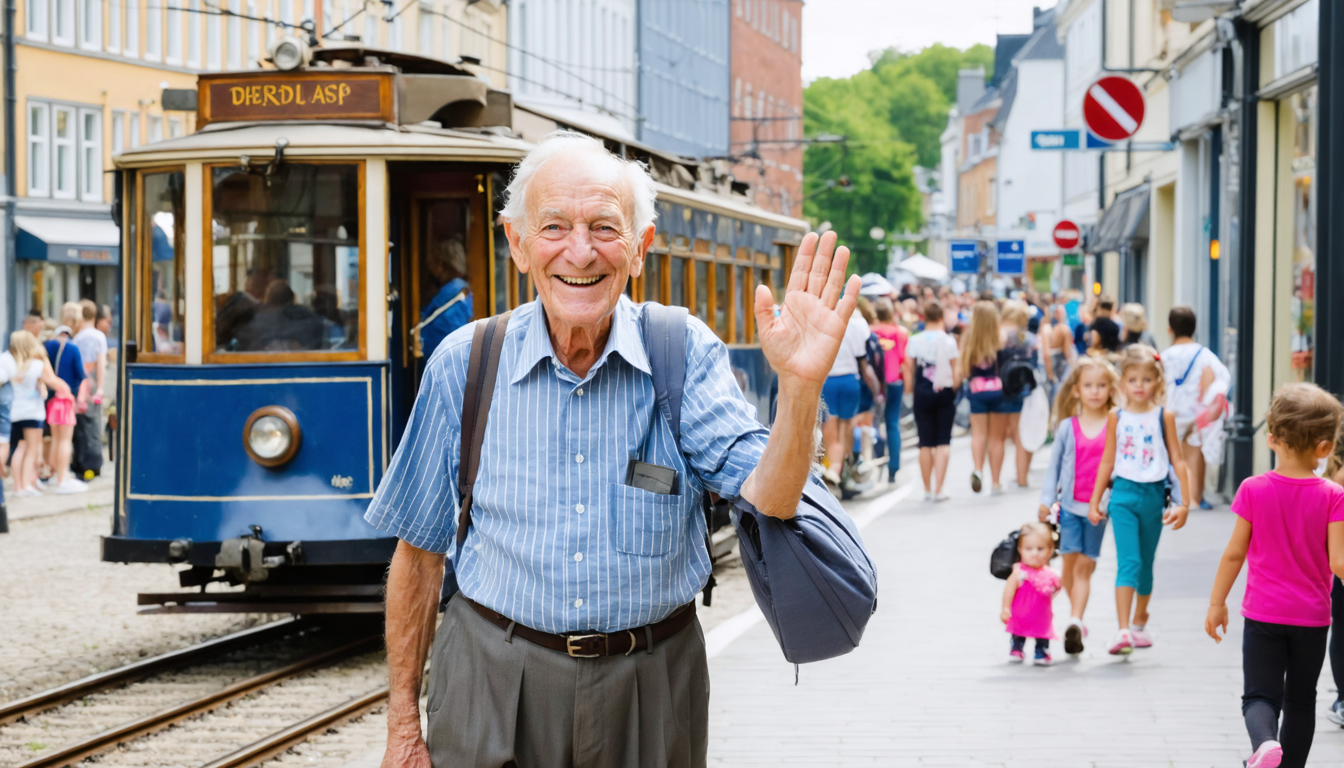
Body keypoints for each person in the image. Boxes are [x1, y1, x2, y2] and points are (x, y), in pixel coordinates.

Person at [365, 131, 863, 768]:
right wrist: (403, 724)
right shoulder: (464, 364)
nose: (580, 251)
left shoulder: (683, 354)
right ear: (516, 244)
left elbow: (771, 498)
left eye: (604, 226)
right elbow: (419, 552)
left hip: (651, 686)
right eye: (553, 226)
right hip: (491, 682)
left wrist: (799, 389)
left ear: (640, 248)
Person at [1205, 383, 1344, 768]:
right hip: (1313, 617)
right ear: (1325, 446)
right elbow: (1338, 561)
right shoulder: (1334, 495)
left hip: (1264, 615)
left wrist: (1217, 603)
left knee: (1260, 697)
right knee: (1301, 699)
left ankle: (1264, 744)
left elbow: (1234, 554)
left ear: (1271, 439)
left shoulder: (1253, 488)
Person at [1087, 345, 1192, 655]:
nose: (1140, 386)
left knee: (1146, 564)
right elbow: (1107, 462)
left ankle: (1139, 621)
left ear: (1157, 383)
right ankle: (1122, 630)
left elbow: (1179, 461)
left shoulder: (1164, 416)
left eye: (1147, 380)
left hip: (1153, 496)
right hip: (1123, 495)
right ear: (1123, 384)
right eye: (1133, 380)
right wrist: (1095, 501)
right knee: (1128, 562)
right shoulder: (1115, 416)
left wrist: (1184, 503)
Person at [1038, 357, 1118, 655]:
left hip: (1100, 510)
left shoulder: (1116, 424)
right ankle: (1076, 618)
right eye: (1088, 386)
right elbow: (1053, 468)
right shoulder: (1066, 428)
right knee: (1070, 566)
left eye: (1101, 385)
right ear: (1076, 391)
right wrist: (1046, 501)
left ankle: (1075, 619)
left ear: (1110, 389)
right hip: (1070, 508)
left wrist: (1110, 502)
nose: (1095, 391)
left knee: (1085, 567)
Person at [1161, 305, 1231, 511]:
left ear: (1170, 329)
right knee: (1193, 454)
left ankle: (1176, 495)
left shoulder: (1164, 356)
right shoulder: (1204, 354)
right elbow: (1223, 379)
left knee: (1173, 454)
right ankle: (1195, 497)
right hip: (1195, 413)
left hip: (1170, 411)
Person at [903, 300, 961, 502]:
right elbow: (956, 370)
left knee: (925, 442)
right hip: (944, 392)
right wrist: (954, 388)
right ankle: (939, 488)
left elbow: (908, 368)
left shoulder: (914, 340)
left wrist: (909, 392)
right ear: (940, 317)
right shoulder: (949, 340)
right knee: (943, 439)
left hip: (922, 392)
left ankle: (927, 488)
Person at [821, 293, 877, 485]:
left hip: (828, 382)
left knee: (831, 432)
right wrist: (876, 390)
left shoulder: (824, 321)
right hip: (850, 381)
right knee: (846, 429)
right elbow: (864, 362)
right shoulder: (858, 324)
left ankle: (834, 469)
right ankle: (840, 469)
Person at [9, 331, 69, 498]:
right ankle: (27, 485)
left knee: (20, 448)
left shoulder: (10, 364)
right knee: (31, 448)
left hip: (14, 411)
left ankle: (17, 486)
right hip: (32, 412)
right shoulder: (36, 365)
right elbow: (53, 381)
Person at [1000, 522, 1061, 666]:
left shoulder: (1051, 573)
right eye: (1029, 549)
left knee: (1042, 633)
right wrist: (1005, 608)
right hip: (1021, 612)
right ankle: (1017, 647)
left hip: (1042, 615)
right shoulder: (1019, 572)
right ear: (1020, 550)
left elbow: (1056, 588)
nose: (1034, 553)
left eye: (1040, 549)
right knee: (1018, 631)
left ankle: (1041, 651)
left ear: (1050, 551)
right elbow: (1009, 590)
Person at [43, 306, 87, 494]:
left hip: (50, 400)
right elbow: (81, 376)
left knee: (54, 439)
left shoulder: (47, 346)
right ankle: (63, 477)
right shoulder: (73, 348)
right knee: (65, 441)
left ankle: (53, 473)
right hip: (66, 400)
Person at [1000, 301, 1042, 489]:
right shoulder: (1030, 338)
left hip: (1003, 387)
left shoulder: (999, 336)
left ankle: (997, 478)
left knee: (1001, 434)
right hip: (1026, 387)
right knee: (1023, 433)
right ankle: (1022, 476)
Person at [869, 297, 908, 483]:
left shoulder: (869, 332)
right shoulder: (900, 333)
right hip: (894, 381)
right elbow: (904, 360)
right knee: (892, 423)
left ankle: (874, 462)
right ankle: (893, 468)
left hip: (874, 384)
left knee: (872, 423)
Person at [417, 237, 473, 361]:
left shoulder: (453, 292)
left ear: (440, 264)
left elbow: (440, 336)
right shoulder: (460, 289)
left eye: (432, 262)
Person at [72, 299, 107, 479]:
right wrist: (100, 387)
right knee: (94, 424)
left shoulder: (76, 338)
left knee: (80, 425)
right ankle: (94, 464)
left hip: (78, 387)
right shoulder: (99, 336)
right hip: (93, 386)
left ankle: (80, 463)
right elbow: (100, 363)